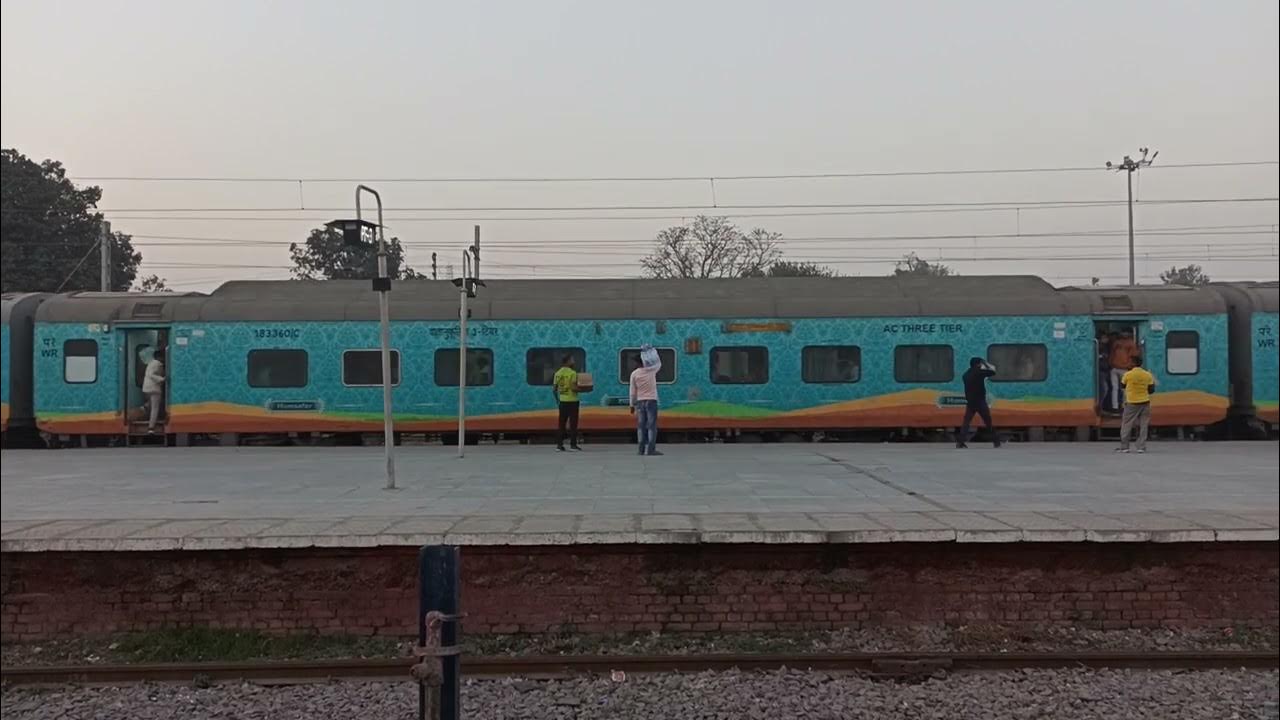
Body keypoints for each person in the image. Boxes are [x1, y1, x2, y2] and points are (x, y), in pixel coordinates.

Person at [957, 356, 1001, 449]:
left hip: (970, 402)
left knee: (966, 422)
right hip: (980, 401)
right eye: (980, 363)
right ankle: (996, 441)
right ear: (978, 364)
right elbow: (993, 371)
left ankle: (960, 442)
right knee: (988, 422)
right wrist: (985, 363)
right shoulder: (979, 372)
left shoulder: (965, 375)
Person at [1117, 354, 1156, 454]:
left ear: (1133, 363)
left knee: (1127, 424)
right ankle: (1141, 447)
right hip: (1145, 402)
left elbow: (1122, 386)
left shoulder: (1128, 375)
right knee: (1143, 425)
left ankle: (1125, 447)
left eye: (1130, 361)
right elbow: (1151, 390)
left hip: (1131, 403)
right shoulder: (1147, 375)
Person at [629, 345, 663, 456]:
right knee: (651, 426)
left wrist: (631, 405)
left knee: (641, 426)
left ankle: (641, 449)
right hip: (651, 401)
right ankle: (651, 450)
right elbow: (659, 363)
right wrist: (652, 351)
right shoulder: (651, 370)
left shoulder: (634, 374)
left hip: (640, 401)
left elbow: (632, 391)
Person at [552, 354, 581, 451]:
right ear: (568, 361)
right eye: (572, 360)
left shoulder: (558, 373)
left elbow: (554, 389)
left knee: (561, 424)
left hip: (562, 402)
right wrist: (583, 389)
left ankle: (559, 445)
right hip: (573, 401)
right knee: (573, 424)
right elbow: (573, 388)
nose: (574, 361)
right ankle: (573, 445)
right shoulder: (572, 373)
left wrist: (558, 400)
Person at [1109, 330, 1138, 411]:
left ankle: (1114, 406)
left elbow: (1111, 354)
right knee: (1124, 389)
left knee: (1114, 388)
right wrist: (1131, 366)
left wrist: (1110, 363)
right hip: (1125, 368)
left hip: (1114, 368)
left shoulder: (1116, 343)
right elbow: (1134, 355)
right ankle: (1124, 406)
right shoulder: (1131, 343)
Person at [143, 348, 166, 435]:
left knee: (150, 405)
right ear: (160, 357)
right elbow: (152, 375)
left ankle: (142, 411)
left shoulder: (151, 363)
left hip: (147, 387)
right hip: (154, 388)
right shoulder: (158, 364)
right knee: (155, 408)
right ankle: (151, 428)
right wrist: (162, 379)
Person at [1098, 333, 1113, 411]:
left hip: (1105, 370)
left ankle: (1104, 407)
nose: (1106, 339)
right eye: (1104, 337)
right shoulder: (1099, 346)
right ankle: (1100, 407)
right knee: (1104, 389)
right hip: (1101, 371)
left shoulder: (1106, 347)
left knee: (1106, 389)